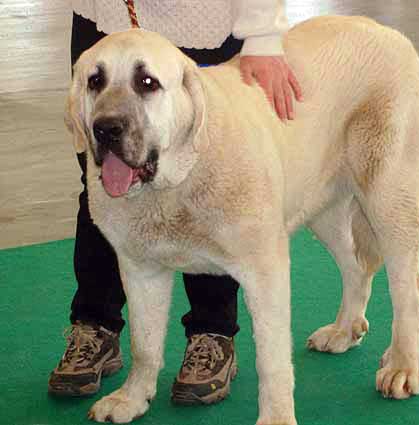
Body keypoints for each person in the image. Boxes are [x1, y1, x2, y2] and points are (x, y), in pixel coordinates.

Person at [48, 0, 302, 404]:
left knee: (215, 180)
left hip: (199, 18)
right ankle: (97, 325)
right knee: (104, 187)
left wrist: (264, 35)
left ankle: (211, 333)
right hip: (105, 12)